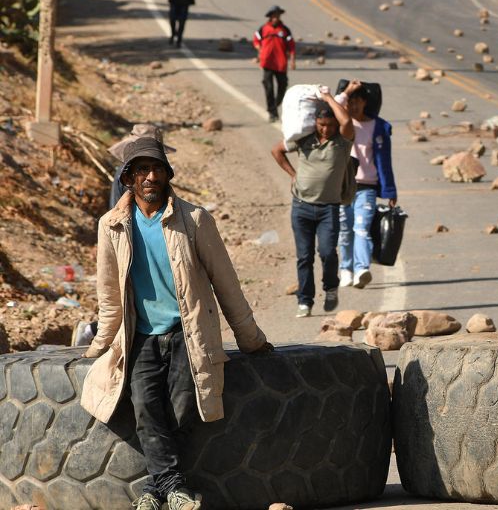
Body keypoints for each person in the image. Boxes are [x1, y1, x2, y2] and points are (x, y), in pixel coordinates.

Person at [81, 137, 273, 510]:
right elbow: (108, 294)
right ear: (128, 179)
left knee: (184, 406)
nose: (151, 177)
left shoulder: (195, 220)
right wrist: (100, 345)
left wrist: (250, 338)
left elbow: (226, 283)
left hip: (188, 334)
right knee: (145, 407)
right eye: (142, 171)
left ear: (168, 176)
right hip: (139, 336)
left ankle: (157, 490)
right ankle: (171, 489)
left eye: (157, 170)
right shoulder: (112, 226)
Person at [270, 83, 358, 317]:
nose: (326, 129)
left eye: (330, 125)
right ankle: (305, 301)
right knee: (304, 256)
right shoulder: (304, 138)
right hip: (301, 207)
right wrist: (293, 174)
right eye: (321, 125)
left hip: (329, 208)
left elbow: (347, 122)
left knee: (328, 252)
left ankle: (330, 288)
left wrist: (328, 96)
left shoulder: (342, 142)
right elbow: (276, 151)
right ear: (315, 124)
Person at [338, 84, 396, 289]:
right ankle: (345, 269)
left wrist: (390, 190)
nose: (353, 106)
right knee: (345, 230)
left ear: (365, 102)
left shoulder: (378, 127)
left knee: (361, 228)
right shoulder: (341, 123)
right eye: (350, 101)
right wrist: (345, 92)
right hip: (343, 185)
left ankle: (362, 268)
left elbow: (384, 161)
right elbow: (333, 106)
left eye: (357, 101)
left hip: (366, 186)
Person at [108, 123, 176, 209]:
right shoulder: (125, 173)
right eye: (144, 169)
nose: (152, 177)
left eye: (158, 168)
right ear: (128, 179)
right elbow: (116, 209)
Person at [253, 6, 296, 122]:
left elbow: (291, 46)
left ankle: (275, 105)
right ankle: (272, 113)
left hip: (281, 63)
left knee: (283, 85)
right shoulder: (263, 29)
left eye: (278, 16)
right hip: (267, 62)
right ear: (270, 17)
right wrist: (259, 49)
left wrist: (292, 60)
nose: (276, 18)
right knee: (269, 87)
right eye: (274, 16)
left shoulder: (285, 30)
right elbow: (256, 40)